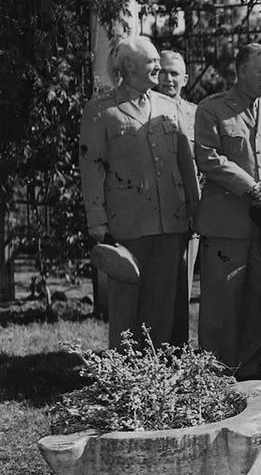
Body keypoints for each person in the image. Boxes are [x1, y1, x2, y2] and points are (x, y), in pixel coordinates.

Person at [79, 36, 199, 348]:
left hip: (170, 221)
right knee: (126, 301)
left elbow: (186, 164)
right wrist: (97, 221)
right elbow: (91, 168)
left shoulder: (169, 106)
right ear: (129, 67)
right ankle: (125, 368)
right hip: (127, 224)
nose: (159, 66)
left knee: (162, 301)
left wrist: (194, 209)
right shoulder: (100, 110)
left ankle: (155, 367)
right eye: (152, 61)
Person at [193, 43, 261, 379]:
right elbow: (209, 157)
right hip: (227, 225)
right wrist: (251, 186)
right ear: (241, 71)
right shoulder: (212, 109)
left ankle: (248, 377)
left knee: (258, 302)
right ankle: (215, 378)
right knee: (221, 306)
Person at [155, 49, 200, 345]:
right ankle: (151, 348)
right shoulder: (146, 110)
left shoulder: (198, 114)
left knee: (183, 282)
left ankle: (178, 350)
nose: (168, 78)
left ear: (185, 79)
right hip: (153, 209)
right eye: (163, 71)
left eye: (175, 73)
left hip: (189, 209)